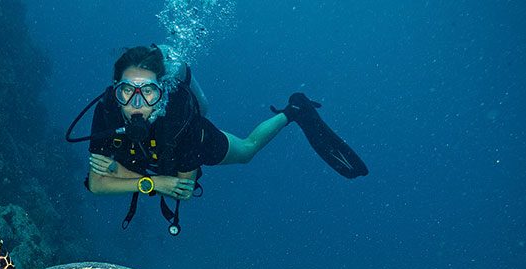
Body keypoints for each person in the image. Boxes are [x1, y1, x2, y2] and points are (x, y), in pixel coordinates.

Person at [77, 44, 367, 233]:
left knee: (247, 151)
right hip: (151, 163)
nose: (137, 103)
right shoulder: (107, 110)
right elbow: (96, 184)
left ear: (162, 92)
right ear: (115, 90)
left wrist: (120, 174)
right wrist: (153, 183)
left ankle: (294, 111)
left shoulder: (181, 121)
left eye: (149, 91)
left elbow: (183, 190)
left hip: (189, 143)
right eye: (127, 91)